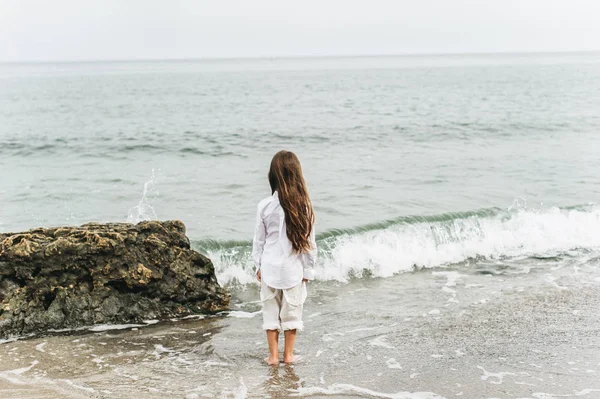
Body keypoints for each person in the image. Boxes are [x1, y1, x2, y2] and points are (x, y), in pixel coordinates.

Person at [252, 150, 317, 365]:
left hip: (270, 267)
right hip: (293, 269)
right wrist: (308, 270)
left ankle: (273, 356)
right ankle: (288, 356)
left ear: (273, 176)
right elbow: (309, 244)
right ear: (296, 174)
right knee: (291, 315)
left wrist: (258, 265)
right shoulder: (304, 206)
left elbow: (258, 241)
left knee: (271, 314)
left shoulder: (264, 205)